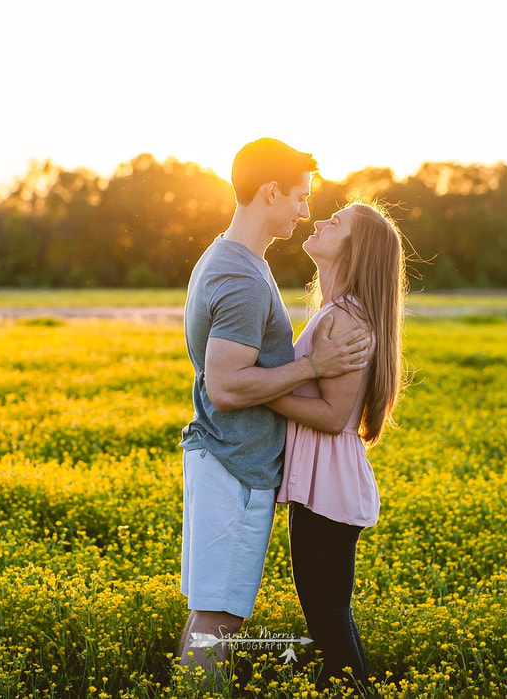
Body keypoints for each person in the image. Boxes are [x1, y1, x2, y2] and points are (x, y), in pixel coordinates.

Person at [178, 138, 371, 678]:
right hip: (235, 464)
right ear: (270, 192)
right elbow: (227, 387)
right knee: (218, 617)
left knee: (214, 611)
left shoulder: (240, 260)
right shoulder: (240, 276)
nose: (307, 211)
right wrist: (315, 366)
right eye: (301, 197)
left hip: (231, 461)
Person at [270, 201, 407, 687]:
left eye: (337, 222)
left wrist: (263, 393)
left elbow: (331, 418)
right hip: (323, 481)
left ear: (356, 250)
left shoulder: (346, 318)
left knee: (327, 616)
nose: (321, 221)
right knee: (328, 613)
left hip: (327, 483)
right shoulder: (337, 311)